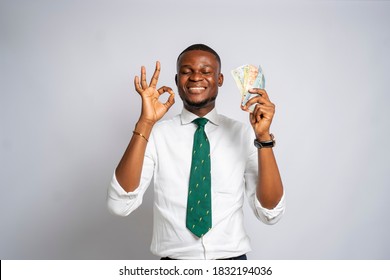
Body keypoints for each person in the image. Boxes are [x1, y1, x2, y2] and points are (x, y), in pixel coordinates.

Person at [107, 44, 285, 260]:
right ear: (176, 80)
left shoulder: (243, 134)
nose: (195, 77)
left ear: (219, 79)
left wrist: (264, 138)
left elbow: (271, 212)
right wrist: (145, 123)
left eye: (206, 71)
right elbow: (119, 204)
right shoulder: (155, 135)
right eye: (186, 71)